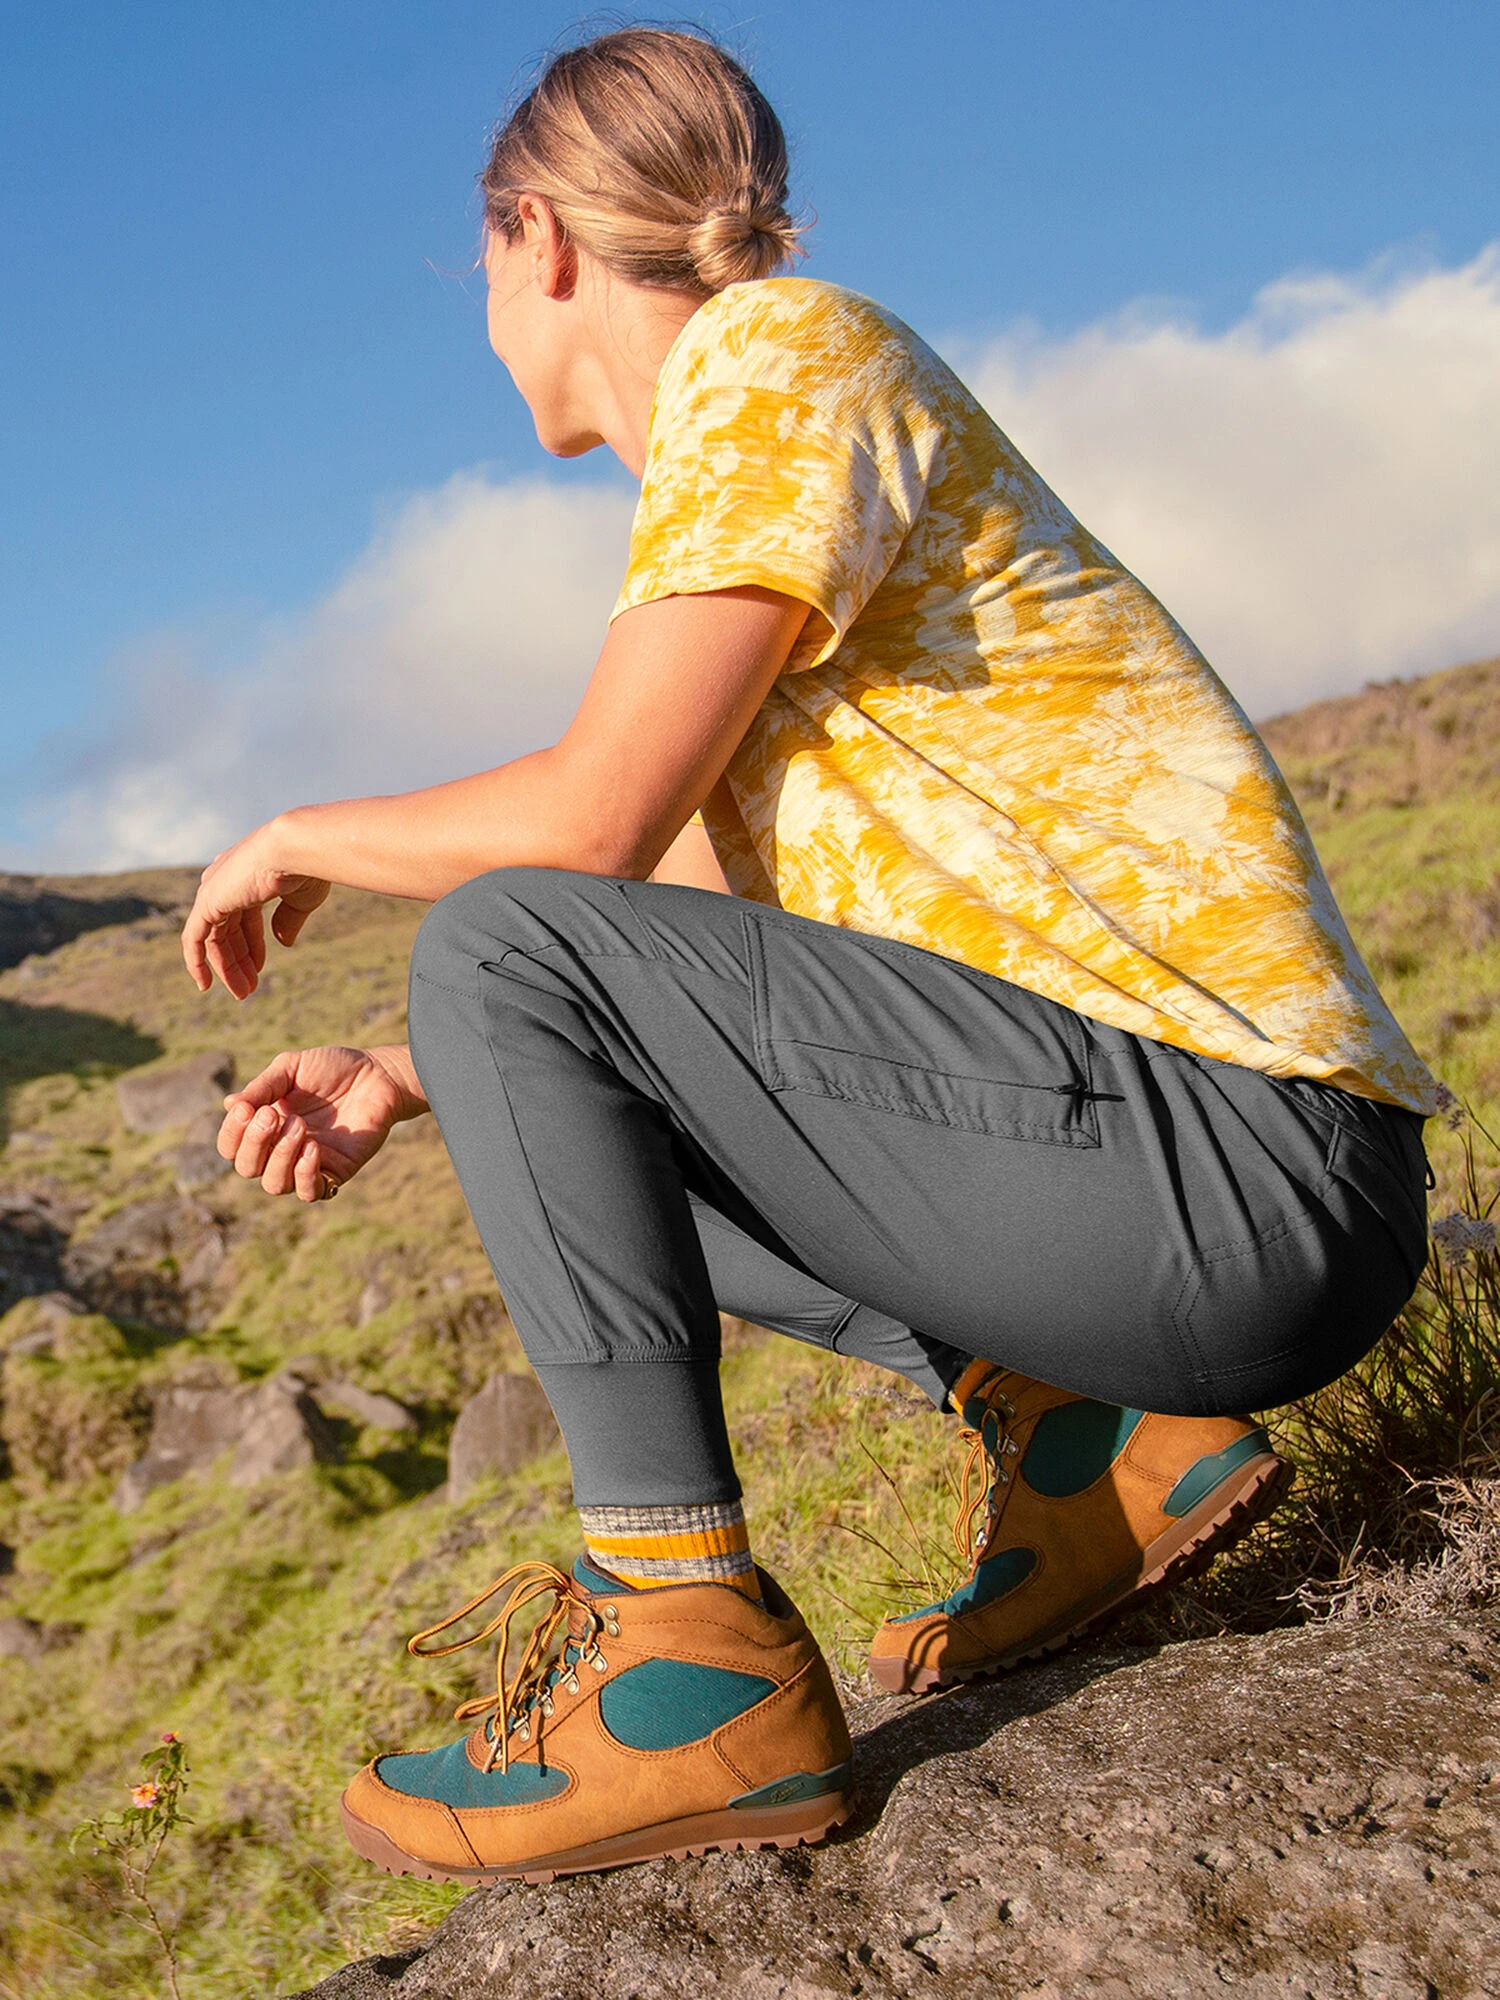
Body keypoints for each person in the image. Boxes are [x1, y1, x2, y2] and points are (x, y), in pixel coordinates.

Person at [187, 28, 1436, 1886]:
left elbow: (588, 833)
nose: (485, 319)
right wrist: (408, 1072)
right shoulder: (754, 465)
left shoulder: (779, 354)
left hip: (1241, 1166)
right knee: (555, 1064)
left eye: (480, 267)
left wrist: (296, 833)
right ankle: (1095, 1442)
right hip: (1203, 1199)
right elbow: (685, 926)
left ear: (535, 238)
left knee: (506, 934)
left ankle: (681, 1654)